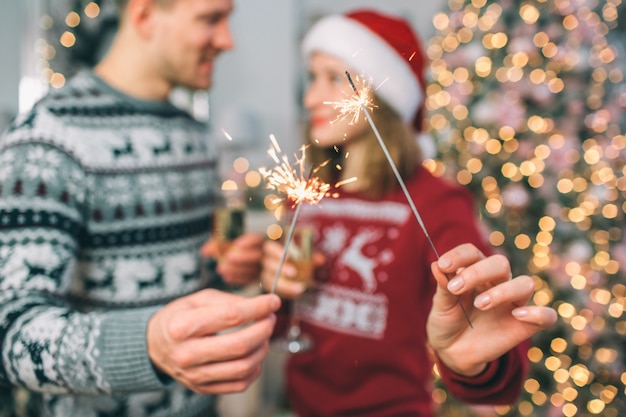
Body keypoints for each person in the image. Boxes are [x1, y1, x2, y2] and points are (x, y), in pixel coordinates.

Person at [260, 9, 557, 417]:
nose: (311, 98)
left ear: (380, 95)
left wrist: (478, 364)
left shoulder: (435, 203)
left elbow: (482, 327)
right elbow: (282, 327)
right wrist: (273, 290)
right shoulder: (308, 194)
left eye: (334, 78)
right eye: (312, 78)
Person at [0, 1, 281, 416]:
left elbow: (197, 281)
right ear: (145, 15)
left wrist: (229, 271)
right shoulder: (47, 138)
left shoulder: (196, 136)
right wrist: (147, 347)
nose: (227, 40)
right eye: (211, 19)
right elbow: (13, 333)